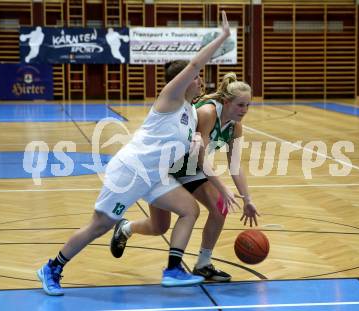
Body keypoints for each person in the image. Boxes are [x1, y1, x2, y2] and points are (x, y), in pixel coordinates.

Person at [37, 11, 238, 295]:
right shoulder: (169, 99)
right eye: (197, 78)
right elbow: (194, 64)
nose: (200, 81)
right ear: (183, 81)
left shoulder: (190, 113)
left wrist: (194, 143)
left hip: (154, 176)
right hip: (130, 171)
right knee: (99, 226)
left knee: (189, 210)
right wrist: (223, 37)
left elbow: (187, 141)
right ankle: (52, 267)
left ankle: (173, 270)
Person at [110, 72, 259, 282]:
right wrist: (224, 188)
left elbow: (235, 166)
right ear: (226, 102)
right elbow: (201, 159)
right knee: (159, 226)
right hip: (165, 167)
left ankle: (203, 264)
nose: (244, 111)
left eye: (247, 106)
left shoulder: (235, 126)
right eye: (240, 105)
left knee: (220, 207)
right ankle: (126, 228)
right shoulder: (208, 113)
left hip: (189, 169)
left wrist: (248, 200)